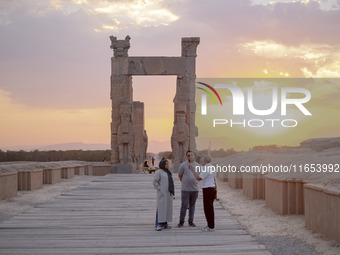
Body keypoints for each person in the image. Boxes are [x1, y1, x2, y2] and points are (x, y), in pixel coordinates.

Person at [189, 155, 216, 232]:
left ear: (205, 161)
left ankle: (210, 226)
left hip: (207, 189)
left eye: (202, 160)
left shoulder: (207, 168)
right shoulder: (212, 167)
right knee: (210, 209)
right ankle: (211, 225)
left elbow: (199, 178)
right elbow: (214, 179)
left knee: (207, 209)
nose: (201, 162)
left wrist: (192, 170)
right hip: (212, 189)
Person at [177, 150, 200, 228]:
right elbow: (180, 175)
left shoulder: (198, 166)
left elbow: (200, 177)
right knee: (184, 205)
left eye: (192, 155)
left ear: (194, 156)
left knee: (192, 205)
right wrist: (184, 182)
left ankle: (191, 221)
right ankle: (181, 222)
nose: (190, 156)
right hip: (185, 189)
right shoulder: (183, 165)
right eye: (188, 155)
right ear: (187, 156)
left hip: (195, 189)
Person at [153, 159, 175, 231]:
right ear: (162, 165)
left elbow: (171, 183)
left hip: (168, 193)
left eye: (168, 164)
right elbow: (155, 182)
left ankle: (165, 224)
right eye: (166, 164)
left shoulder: (168, 172)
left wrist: (172, 193)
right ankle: (158, 224)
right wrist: (160, 189)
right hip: (162, 194)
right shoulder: (158, 172)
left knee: (167, 208)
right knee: (160, 209)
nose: (167, 165)